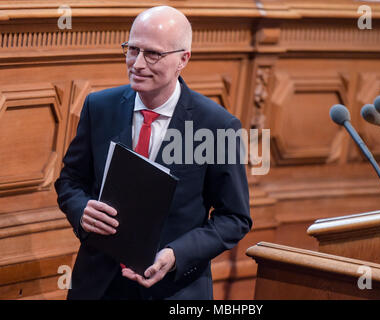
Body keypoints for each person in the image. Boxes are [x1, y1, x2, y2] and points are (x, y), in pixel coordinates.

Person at [55, 5, 251, 300]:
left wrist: (175, 254)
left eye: (153, 54)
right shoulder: (99, 107)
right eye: (132, 49)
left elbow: (234, 217)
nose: (137, 64)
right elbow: (70, 181)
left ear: (183, 59)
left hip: (173, 290)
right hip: (97, 286)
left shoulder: (217, 125)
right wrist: (81, 210)